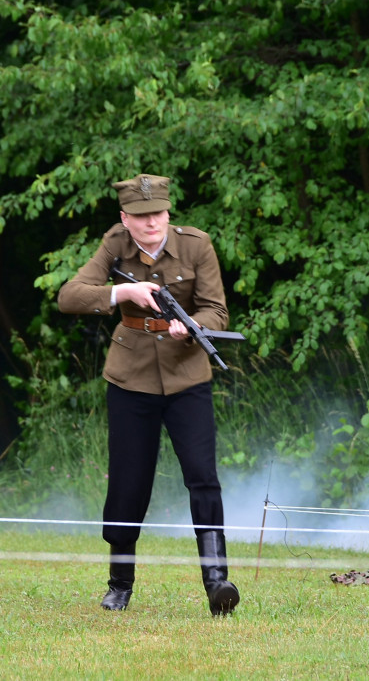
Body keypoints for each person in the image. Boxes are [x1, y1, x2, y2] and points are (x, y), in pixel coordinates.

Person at [57, 173, 240, 616]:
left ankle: (217, 582)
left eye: (157, 213)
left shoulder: (197, 245)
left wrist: (193, 328)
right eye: (140, 216)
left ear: (168, 212)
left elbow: (216, 309)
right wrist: (124, 291)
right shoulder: (114, 244)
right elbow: (69, 296)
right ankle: (120, 583)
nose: (151, 223)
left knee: (202, 476)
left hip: (187, 376)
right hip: (130, 379)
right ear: (125, 218)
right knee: (128, 481)